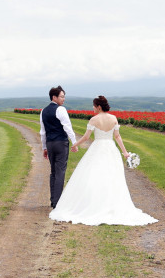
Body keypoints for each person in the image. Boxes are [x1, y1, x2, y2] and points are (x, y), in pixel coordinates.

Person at [49, 95, 157, 226]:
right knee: (112, 176)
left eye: (94, 106)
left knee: (93, 175)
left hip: (98, 148)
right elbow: (117, 136)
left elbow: (86, 137)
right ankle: (111, 204)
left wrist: (76, 144)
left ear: (98, 107)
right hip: (111, 149)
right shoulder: (113, 118)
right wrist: (125, 152)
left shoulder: (94, 120)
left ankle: (95, 204)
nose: (93, 109)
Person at [40, 86, 78, 208]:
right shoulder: (61, 110)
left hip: (50, 144)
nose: (64, 99)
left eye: (64, 96)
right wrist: (74, 142)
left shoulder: (43, 111)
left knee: (53, 172)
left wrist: (44, 147)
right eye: (61, 96)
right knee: (60, 172)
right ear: (54, 97)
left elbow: (43, 132)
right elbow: (67, 127)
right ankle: (58, 202)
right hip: (61, 143)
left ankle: (53, 200)